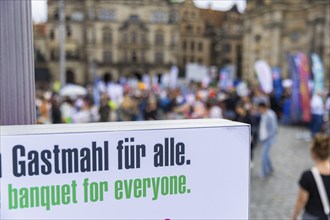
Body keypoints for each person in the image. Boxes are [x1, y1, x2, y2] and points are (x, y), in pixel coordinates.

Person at [292, 134, 330, 220]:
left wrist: (294, 217)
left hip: (312, 216)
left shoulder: (308, 176)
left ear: (314, 154)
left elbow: (301, 200)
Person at [258, 102, 278, 178]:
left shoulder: (270, 115)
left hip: (268, 139)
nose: (259, 110)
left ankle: (265, 172)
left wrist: (267, 138)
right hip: (264, 138)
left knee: (264, 156)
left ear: (263, 108)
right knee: (266, 155)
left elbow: (273, 129)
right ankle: (270, 168)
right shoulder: (264, 114)